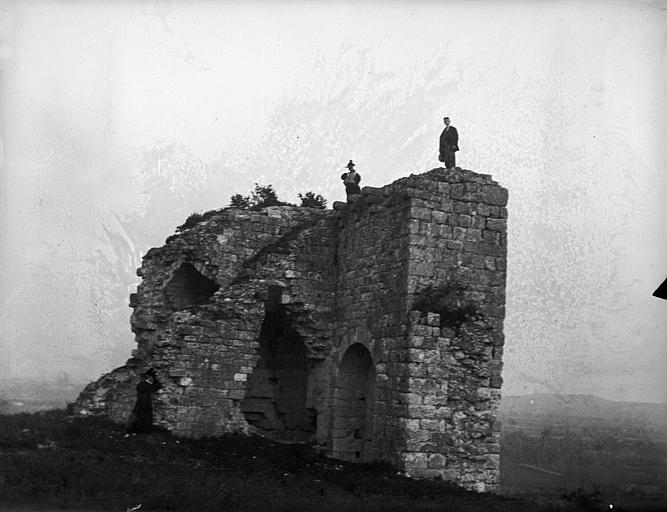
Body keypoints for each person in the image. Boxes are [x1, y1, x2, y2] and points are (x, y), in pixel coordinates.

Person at [126, 368, 162, 434]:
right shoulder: (145, 385)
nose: (152, 378)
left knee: (144, 417)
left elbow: (158, 385)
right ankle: (139, 430)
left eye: (152, 377)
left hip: (145, 403)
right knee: (140, 417)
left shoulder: (142, 384)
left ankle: (142, 430)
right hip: (142, 403)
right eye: (151, 377)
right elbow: (158, 385)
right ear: (148, 377)